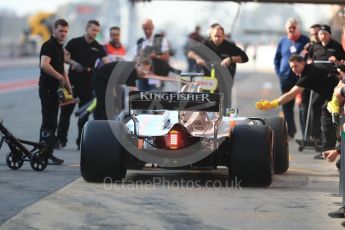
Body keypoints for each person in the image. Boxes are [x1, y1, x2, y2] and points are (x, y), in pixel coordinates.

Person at [256, 54, 339, 152]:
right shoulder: (311, 67)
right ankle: (318, 136)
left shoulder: (306, 76)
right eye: (291, 67)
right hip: (334, 90)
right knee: (315, 104)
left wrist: (272, 104)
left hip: (338, 93)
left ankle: (328, 147)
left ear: (303, 63)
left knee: (326, 115)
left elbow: (291, 94)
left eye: (296, 66)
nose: (293, 69)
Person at [56, 20, 110, 149]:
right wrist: (73, 63)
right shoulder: (74, 42)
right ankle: (60, 140)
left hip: (88, 86)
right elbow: (63, 57)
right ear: (86, 28)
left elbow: (107, 63)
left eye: (97, 30)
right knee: (65, 114)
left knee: (84, 116)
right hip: (71, 84)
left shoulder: (98, 47)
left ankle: (81, 142)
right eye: (93, 30)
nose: (95, 33)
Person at [187, 23, 248, 108]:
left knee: (225, 107)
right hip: (207, 82)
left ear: (223, 36)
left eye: (219, 36)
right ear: (210, 35)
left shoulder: (230, 46)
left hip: (225, 81)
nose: (217, 38)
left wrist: (231, 59)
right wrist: (197, 58)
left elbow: (245, 58)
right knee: (206, 106)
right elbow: (190, 53)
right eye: (215, 36)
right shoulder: (205, 44)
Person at [38, 19, 71, 165]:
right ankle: (44, 154)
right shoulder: (48, 45)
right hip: (47, 89)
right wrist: (59, 77)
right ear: (54, 30)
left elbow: (62, 68)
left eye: (65, 31)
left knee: (52, 122)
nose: (63, 34)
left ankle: (47, 152)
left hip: (56, 89)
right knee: (48, 122)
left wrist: (68, 86)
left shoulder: (59, 47)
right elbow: (44, 65)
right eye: (60, 30)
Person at [274, 18, 310, 139]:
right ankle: (291, 132)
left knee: (302, 106)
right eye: (289, 27)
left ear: (298, 27)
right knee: (286, 106)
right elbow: (277, 59)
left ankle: (306, 134)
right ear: (286, 28)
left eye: (294, 27)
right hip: (285, 78)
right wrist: (279, 72)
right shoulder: (283, 41)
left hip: (301, 79)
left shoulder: (305, 40)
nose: (291, 29)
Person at [136, 19, 170, 91]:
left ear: (153, 27)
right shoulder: (140, 41)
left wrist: (154, 56)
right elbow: (137, 58)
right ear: (142, 28)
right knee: (141, 99)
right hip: (142, 76)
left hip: (156, 76)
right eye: (145, 29)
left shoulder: (161, 39)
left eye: (149, 28)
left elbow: (166, 57)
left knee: (154, 98)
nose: (147, 31)